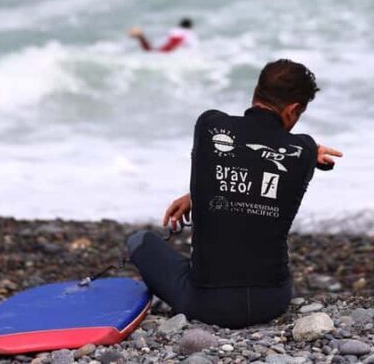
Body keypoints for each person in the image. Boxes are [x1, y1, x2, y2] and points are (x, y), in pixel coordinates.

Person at [126, 59, 342, 328]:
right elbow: (266, 164)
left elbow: (235, 154)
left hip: (205, 304)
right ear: (294, 109)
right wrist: (305, 152)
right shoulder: (304, 149)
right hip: (273, 300)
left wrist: (199, 195)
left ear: (257, 90)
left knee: (140, 241)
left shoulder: (209, 125)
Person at [128, 18, 196, 53]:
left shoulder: (175, 30)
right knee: (153, 52)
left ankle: (141, 37)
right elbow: (176, 41)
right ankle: (141, 36)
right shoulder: (188, 32)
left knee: (151, 51)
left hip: (167, 46)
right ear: (190, 26)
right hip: (172, 47)